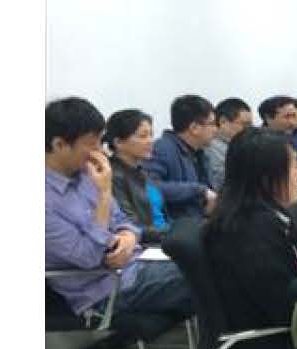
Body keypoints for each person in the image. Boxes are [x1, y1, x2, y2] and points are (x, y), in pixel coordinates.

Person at [44, 97, 190, 328]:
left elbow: (124, 221)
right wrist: (104, 195)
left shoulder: (85, 176)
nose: (100, 152)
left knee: (216, 265)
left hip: (137, 266)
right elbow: (89, 256)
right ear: (60, 145)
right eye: (91, 144)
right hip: (104, 292)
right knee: (209, 275)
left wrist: (129, 237)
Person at [199, 126, 297, 349]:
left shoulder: (264, 217)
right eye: (293, 166)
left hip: (288, 333)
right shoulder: (250, 233)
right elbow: (285, 308)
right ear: (266, 177)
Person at [104, 108, 169, 243]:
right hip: (148, 243)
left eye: (151, 135)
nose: (150, 141)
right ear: (118, 142)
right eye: (143, 136)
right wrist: (173, 233)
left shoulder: (141, 170)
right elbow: (130, 226)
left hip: (164, 237)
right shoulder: (113, 176)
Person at [148, 95, 217, 214]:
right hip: (174, 222)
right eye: (212, 124)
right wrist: (199, 191)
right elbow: (149, 187)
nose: (216, 129)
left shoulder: (202, 152)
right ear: (194, 128)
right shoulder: (162, 149)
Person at [203, 97, 253, 189]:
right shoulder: (211, 148)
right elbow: (220, 183)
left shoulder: (241, 144)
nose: (249, 130)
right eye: (245, 124)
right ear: (223, 121)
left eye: (250, 125)